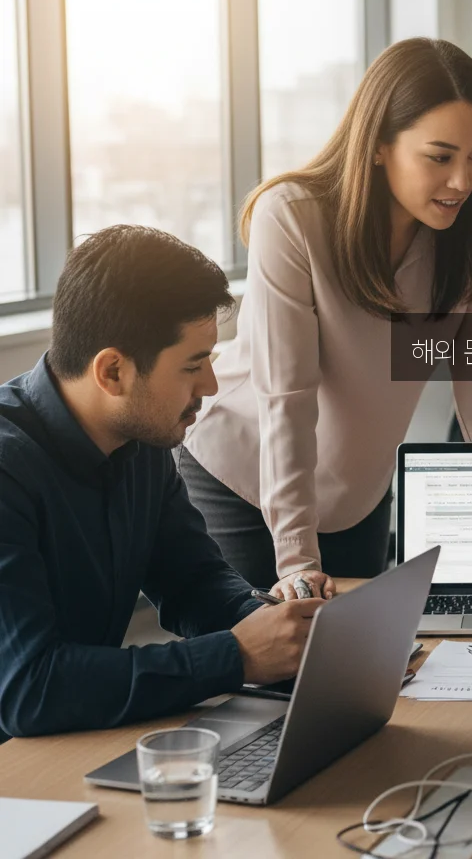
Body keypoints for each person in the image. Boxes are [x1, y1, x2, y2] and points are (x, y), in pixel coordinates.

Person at [181, 38, 472, 600]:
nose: (464, 180)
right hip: (244, 480)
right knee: (266, 672)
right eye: (440, 157)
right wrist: (295, 558)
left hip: (358, 496)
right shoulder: (292, 217)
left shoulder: (469, 242)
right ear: (379, 146)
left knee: (359, 676)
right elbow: (286, 396)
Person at [0, 226, 326, 740]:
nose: (211, 387)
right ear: (113, 372)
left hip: (76, 738)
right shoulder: (8, 470)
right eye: (192, 367)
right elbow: (30, 689)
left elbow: (192, 581)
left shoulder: (142, 438)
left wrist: (285, 632)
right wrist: (237, 656)